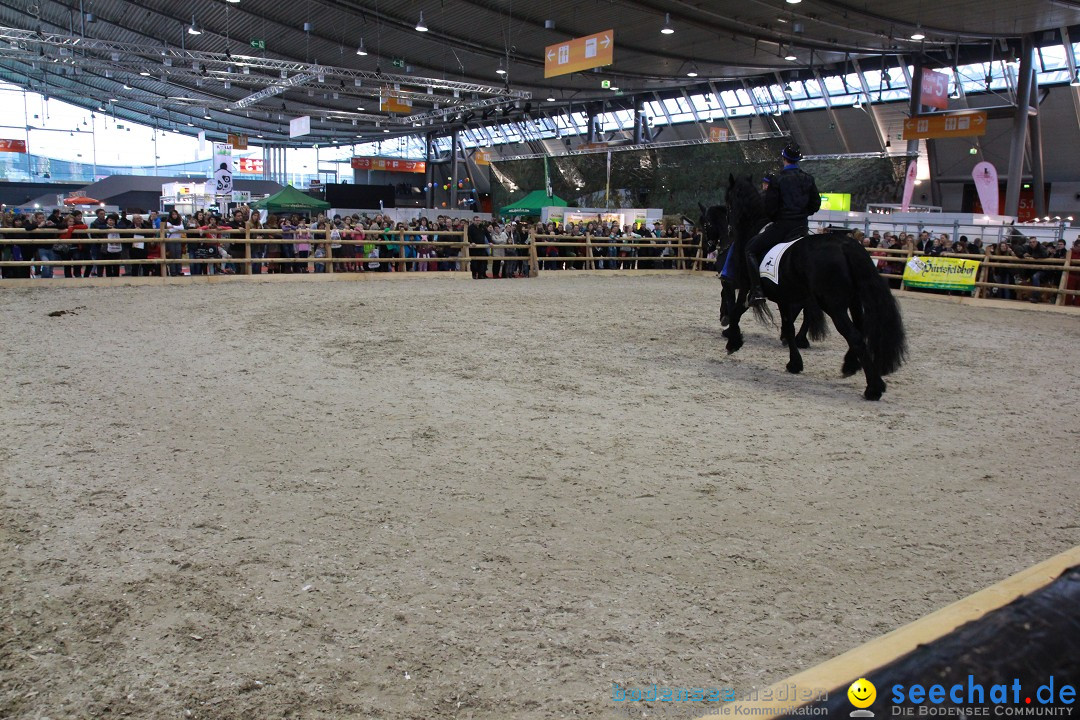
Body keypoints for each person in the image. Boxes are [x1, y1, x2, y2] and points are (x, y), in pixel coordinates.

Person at [745, 146, 820, 306]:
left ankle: (757, 291)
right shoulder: (809, 178)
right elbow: (816, 204)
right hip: (802, 227)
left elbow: (771, 208)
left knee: (750, 249)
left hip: (783, 227)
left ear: (784, 159)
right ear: (798, 160)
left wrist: (777, 217)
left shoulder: (778, 180)